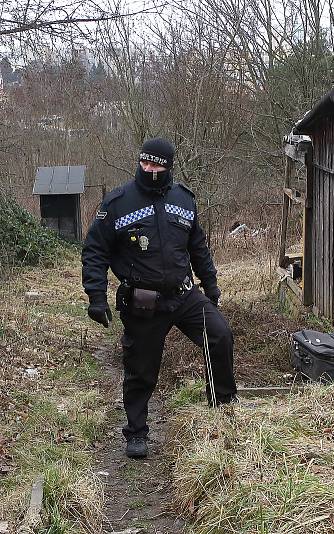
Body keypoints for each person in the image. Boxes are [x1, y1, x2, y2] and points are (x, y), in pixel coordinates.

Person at [82, 138, 237, 458]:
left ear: (169, 166)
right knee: (141, 369)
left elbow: (199, 247)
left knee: (219, 335)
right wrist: (96, 295)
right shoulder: (117, 203)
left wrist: (211, 285)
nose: (150, 169)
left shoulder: (184, 200)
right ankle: (136, 434)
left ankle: (222, 409)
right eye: (145, 163)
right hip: (144, 301)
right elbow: (95, 250)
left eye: (157, 165)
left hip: (184, 294)